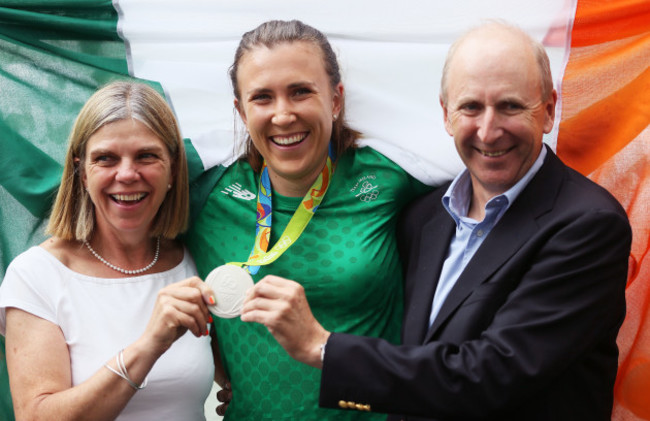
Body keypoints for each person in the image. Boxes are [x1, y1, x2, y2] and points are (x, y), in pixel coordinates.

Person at [240, 21, 633, 420]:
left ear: (548, 110)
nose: (488, 130)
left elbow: (490, 375)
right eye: (471, 107)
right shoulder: (425, 216)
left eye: (511, 106)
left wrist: (321, 347)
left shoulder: (588, 225)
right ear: (446, 115)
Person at [185, 20, 429, 420]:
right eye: (262, 98)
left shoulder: (391, 179)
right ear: (241, 112)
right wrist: (203, 352)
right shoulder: (206, 195)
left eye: (300, 92)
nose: (283, 115)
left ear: (335, 100)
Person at [0, 81, 225, 420]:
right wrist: (149, 345)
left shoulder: (194, 259)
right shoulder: (36, 275)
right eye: (106, 158)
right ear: (81, 172)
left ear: (173, 170)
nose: (127, 174)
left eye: (146, 156)